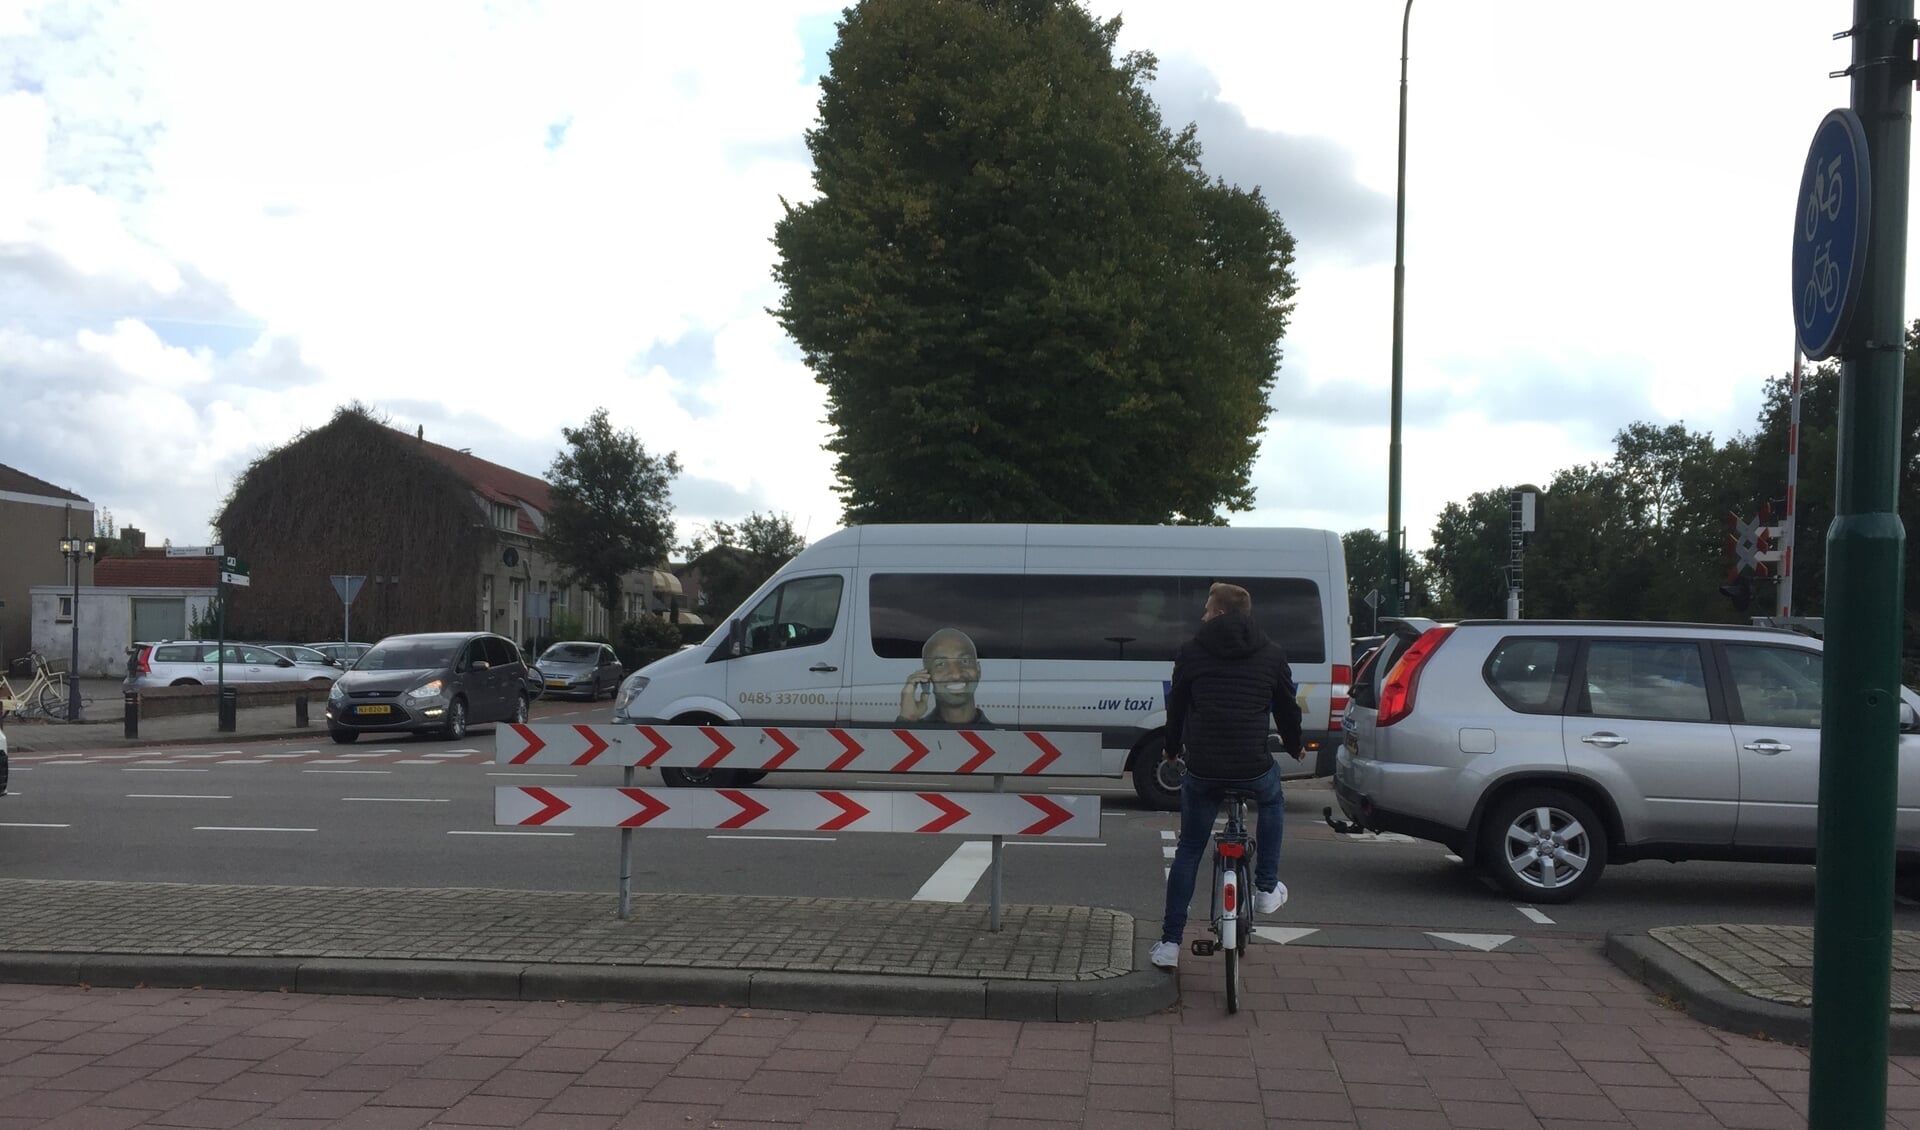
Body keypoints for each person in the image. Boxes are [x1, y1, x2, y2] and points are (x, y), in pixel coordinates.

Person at [1152, 582, 1304, 970]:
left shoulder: (1190, 652)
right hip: (1253, 765)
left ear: (1219, 613)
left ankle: (1170, 944)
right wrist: (1294, 744)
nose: (1202, 616)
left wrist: (1171, 749)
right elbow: (1287, 707)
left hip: (1204, 769)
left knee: (1189, 850)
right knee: (1272, 799)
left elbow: (1178, 710)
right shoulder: (1272, 653)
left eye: (1206, 610)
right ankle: (1266, 887)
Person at [896, 627, 993, 726]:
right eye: (941, 664)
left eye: (965, 661)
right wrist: (907, 719)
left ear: (978, 671)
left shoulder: (1001, 736)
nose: (956, 674)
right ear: (927, 677)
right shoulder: (913, 733)